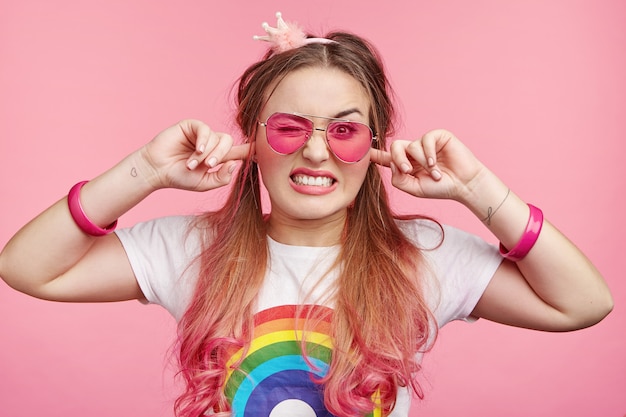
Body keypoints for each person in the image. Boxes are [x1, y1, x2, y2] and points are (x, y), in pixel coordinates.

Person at [0, 11, 613, 417]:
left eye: (344, 131)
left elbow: (583, 303)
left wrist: (476, 187)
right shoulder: (191, 248)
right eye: (290, 128)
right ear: (252, 140)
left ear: (373, 147)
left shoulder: (422, 255)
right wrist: (145, 170)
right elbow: (28, 268)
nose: (317, 150)